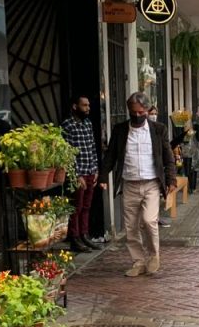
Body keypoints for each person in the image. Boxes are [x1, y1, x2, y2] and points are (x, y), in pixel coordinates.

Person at [99, 91, 177, 277]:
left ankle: (153, 256)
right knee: (131, 227)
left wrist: (171, 178)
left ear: (148, 111)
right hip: (129, 184)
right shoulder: (119, 130)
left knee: (149, 221)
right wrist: (103, 176)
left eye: (141, 112)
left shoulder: (158, 129)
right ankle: (138, 262)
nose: (137, 115)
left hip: (151, 183)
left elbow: (168, 156)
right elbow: (110, 155)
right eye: (133, 112)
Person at [61, 95, 99, 254]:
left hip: (90, 170)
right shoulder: (67, 125)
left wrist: (95, 169)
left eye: (88, 105)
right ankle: (74, 238)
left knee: (86, 206)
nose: (88, 108)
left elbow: (92, 146)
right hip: (78, 173)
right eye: (84, 105)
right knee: (76, 207)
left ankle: (84, 235)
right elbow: (67, 152)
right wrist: (76, 175)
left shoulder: (88, 123)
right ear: (75, 106)